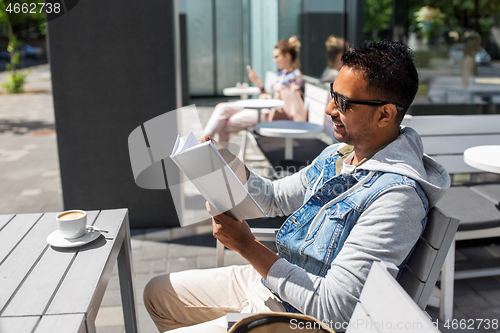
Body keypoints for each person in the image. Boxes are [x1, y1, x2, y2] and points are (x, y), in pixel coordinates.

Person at [144, 41, 450, 332]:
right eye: (333, 94)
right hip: (276, 283)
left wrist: (247, 246)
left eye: (343, 103)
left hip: (302, 319)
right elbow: (275, 198)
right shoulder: (339, 154)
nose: (330, 110)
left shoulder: (396, 197)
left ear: (385, 114)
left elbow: (334, 310)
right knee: (157, 292)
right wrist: (229, 163)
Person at [203, 36, 305, 143]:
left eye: (277, 57)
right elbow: (271, 96)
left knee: (224, 123)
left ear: (287, 56)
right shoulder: (282, 74)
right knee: (221, 108)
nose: (274, 60)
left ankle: (207, 148)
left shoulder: (295, 78)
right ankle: (204, 141)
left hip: (269, 115)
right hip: (263, 108)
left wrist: (267, 96)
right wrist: (259, 83)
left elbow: (286, 103)